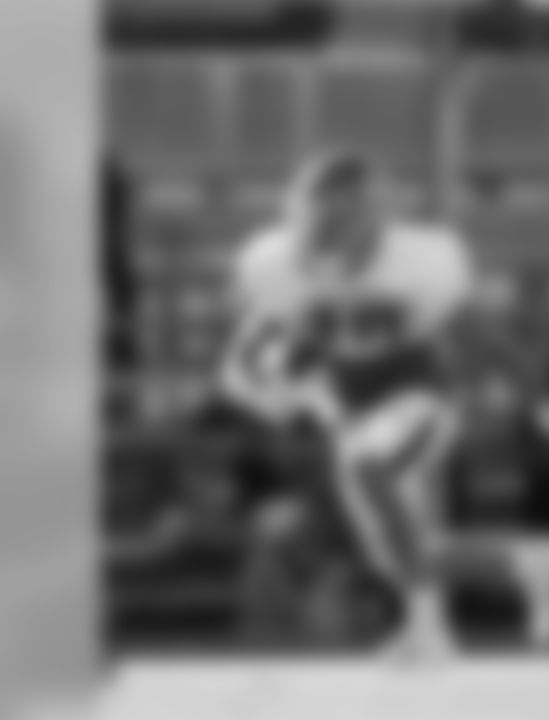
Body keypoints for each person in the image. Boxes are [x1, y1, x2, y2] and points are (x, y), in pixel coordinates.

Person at [219, 152, 474, 660]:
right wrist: (284, 395)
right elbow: (239, 367)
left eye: (350, 213)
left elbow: (468, 333)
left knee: (368, 466)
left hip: (418, 400)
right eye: (326, 214)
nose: (337, 229)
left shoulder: (418, 262)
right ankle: (431, 620)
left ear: (377, 212)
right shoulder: (281, 272)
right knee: (383, 541)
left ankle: (431, 628)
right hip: (353, 421)